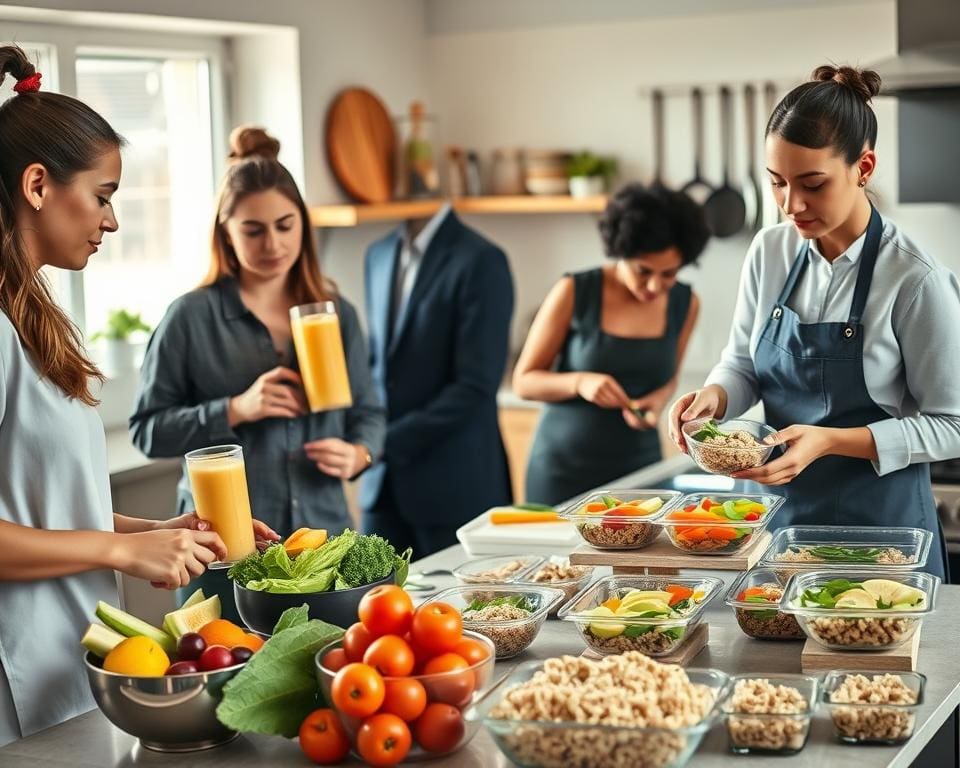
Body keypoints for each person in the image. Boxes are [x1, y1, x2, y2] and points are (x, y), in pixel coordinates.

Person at [0, 45, 244, 747]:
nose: (110, 221)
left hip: (62, 661)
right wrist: (118, 550)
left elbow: (39, 500)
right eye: (103, 196)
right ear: (38, 184)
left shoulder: (35, 312)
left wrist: (156, 533)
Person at [669, 65, 960, 581]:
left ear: (863, 167)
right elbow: (742, 364)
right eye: (777, 182)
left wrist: (830, 440)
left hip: (880, 534)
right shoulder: (770, 250)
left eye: (813, 184)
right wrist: (715, 396)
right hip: (772, 522)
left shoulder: (915, 279)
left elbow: (952, 425)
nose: (791, 205)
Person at [130, 127, 385, 618]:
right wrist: (234, 410)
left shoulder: (337, 313)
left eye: (286, 225)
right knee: (225, 661)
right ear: (225, 233)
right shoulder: (189, 318)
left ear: (303, 224)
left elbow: (370, 412)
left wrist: (359, 453)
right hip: (224, 552)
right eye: (253, 230)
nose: (274, 243)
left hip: (324, 545)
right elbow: (147, 431)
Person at [514, 185, 708, 505]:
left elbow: (669, 378)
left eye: (669, 274)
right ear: (621, 253)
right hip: (563, 470)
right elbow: (524, 382)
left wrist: (659, 401)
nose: (654, 286)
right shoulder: (575, 290)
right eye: (643, 271)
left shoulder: (686, 304)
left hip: (639, 470)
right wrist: (580, 382)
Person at [359, 204, 514, 557]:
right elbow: (379, 365)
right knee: (369, 592)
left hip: (455, 486)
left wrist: (382, 442)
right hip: (380, 491)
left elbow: (475, 386)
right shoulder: (377, 253)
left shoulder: (482, 260)